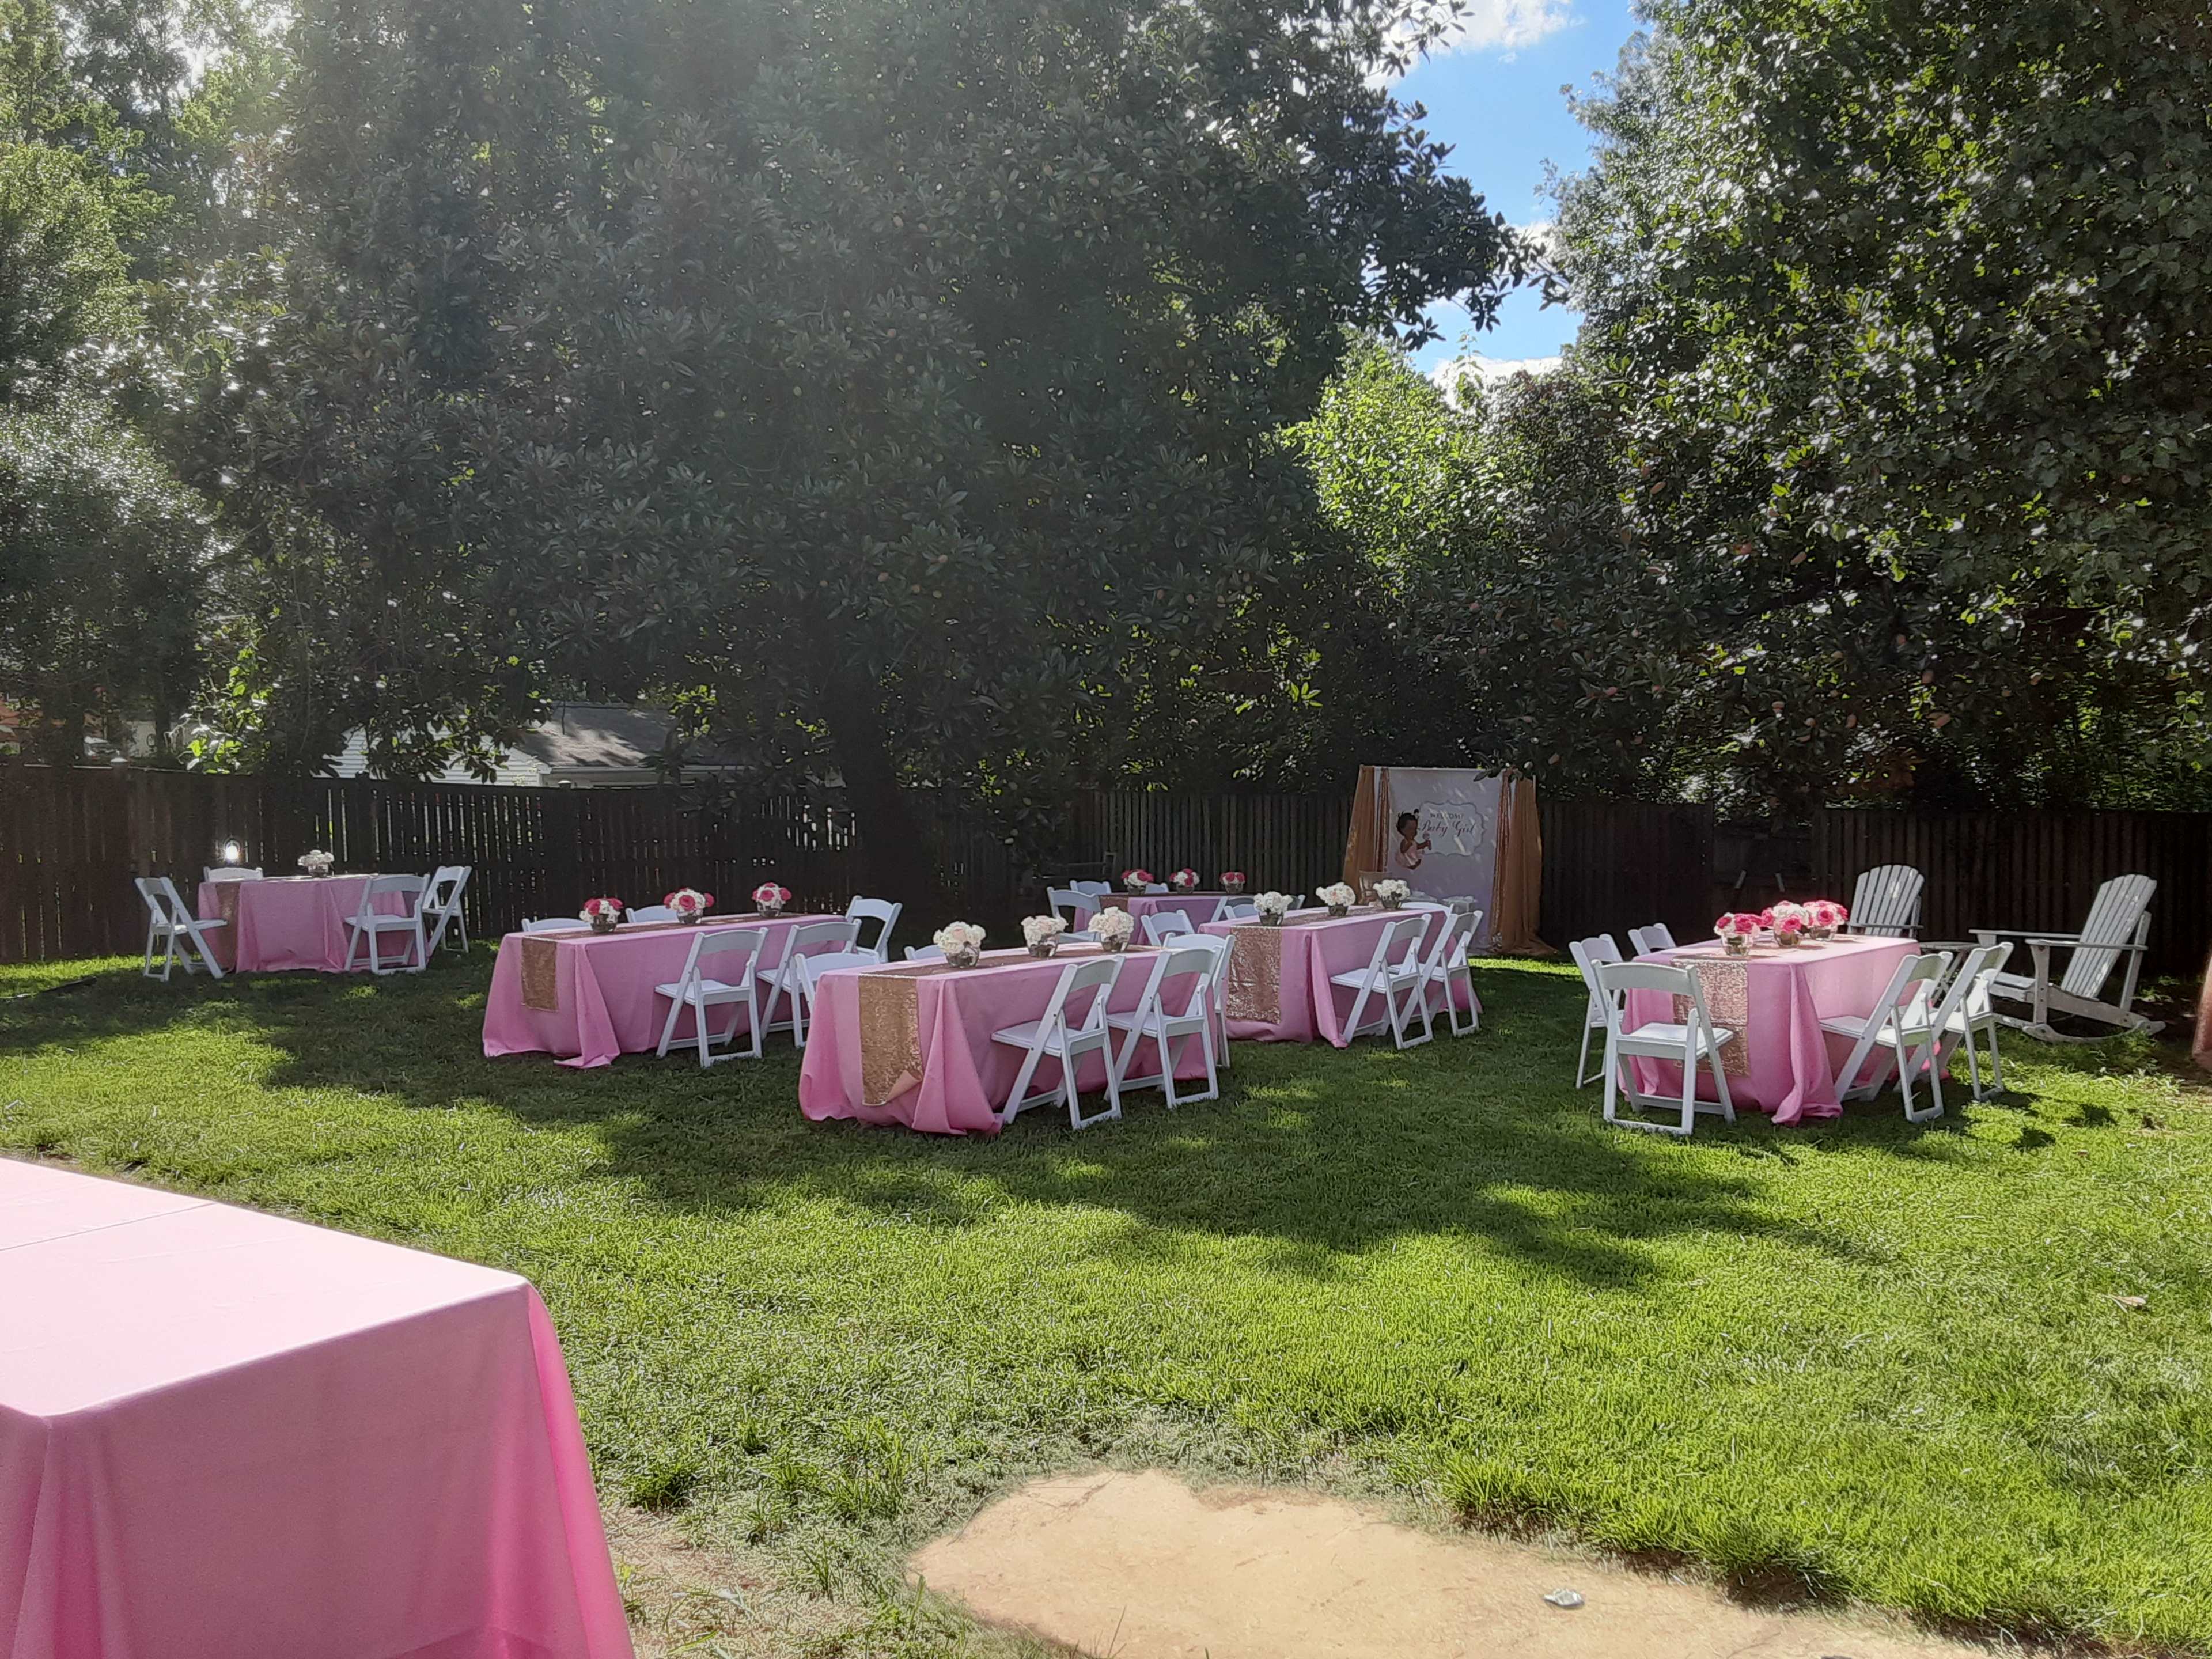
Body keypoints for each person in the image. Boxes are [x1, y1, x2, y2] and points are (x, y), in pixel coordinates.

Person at [1392, 810, 1430, 874]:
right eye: (1410, 829)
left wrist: (1425, 844)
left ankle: (1414, 866)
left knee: (1419, 858)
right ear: (1402, 830)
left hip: (1413, 857)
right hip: (1406, 858)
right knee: (1410, 861)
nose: (1413, 832)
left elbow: (1418, 847)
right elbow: (1403, 850)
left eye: (1415, 829)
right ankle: (1411, 866)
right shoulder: (1404, 841)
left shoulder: (1413, 842)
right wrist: (1408, 846)